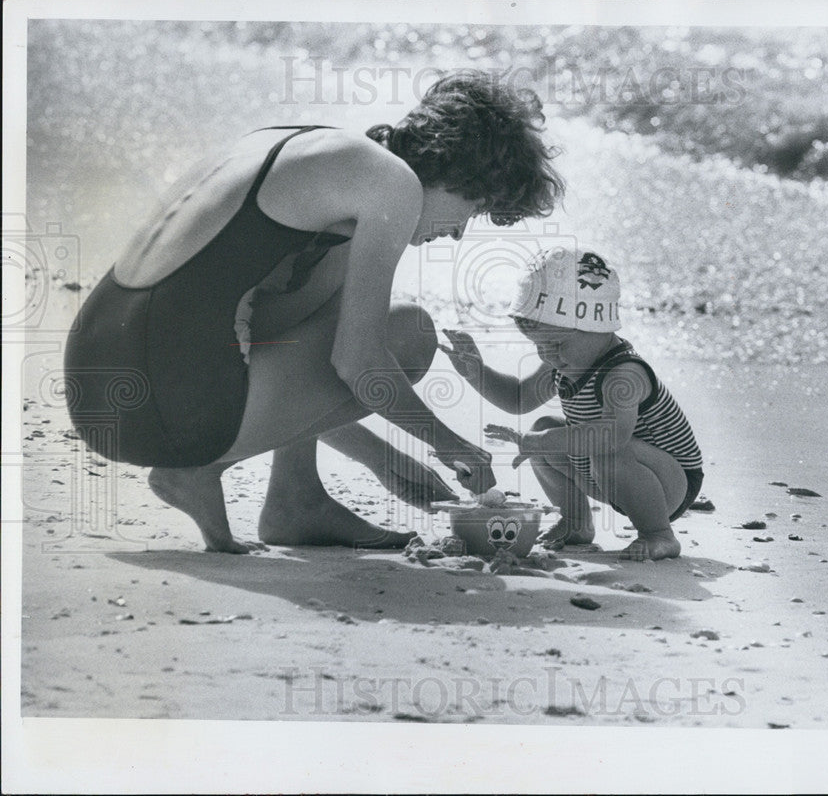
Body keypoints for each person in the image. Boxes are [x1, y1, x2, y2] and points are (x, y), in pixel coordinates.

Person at [63, 70, 565, 553]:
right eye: (473, 208)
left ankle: (295, 500)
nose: (459, 232)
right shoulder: (393, 186)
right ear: (456, 167)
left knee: (327, 305)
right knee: (409, 331)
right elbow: (357, 362)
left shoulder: (311, 150)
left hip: (98, 384)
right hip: (158, 405)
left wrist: (384, 459)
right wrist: (452, 446)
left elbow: (281, 342)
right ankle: (193, 469)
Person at [438, 247, 704, 561]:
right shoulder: (561, 363)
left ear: (599, 325)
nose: (549, 355)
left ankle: (659, 534)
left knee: (589, 444)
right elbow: (519, 399)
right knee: (543, 430)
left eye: (558, 344)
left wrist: (543, 442)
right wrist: (476, 372)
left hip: (670, 483)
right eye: (540, 346)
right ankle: (576, 523)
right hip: (610, 471)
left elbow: (613, 435)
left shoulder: (623, 374)